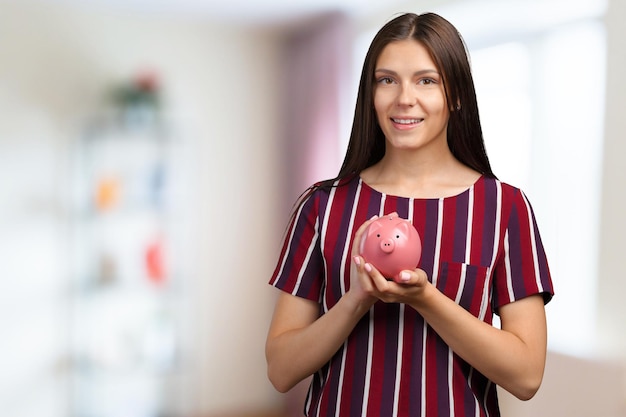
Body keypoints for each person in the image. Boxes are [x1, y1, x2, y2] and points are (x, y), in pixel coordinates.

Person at [265, 12, 554, 417]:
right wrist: (355, 300)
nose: (404, 98)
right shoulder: (322, 206)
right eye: (387, 80)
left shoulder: (505, 208)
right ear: (370, 93)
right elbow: (280, 370)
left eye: (426, 80)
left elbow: (526, 377)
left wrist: (427, 300)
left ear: (455, 94)